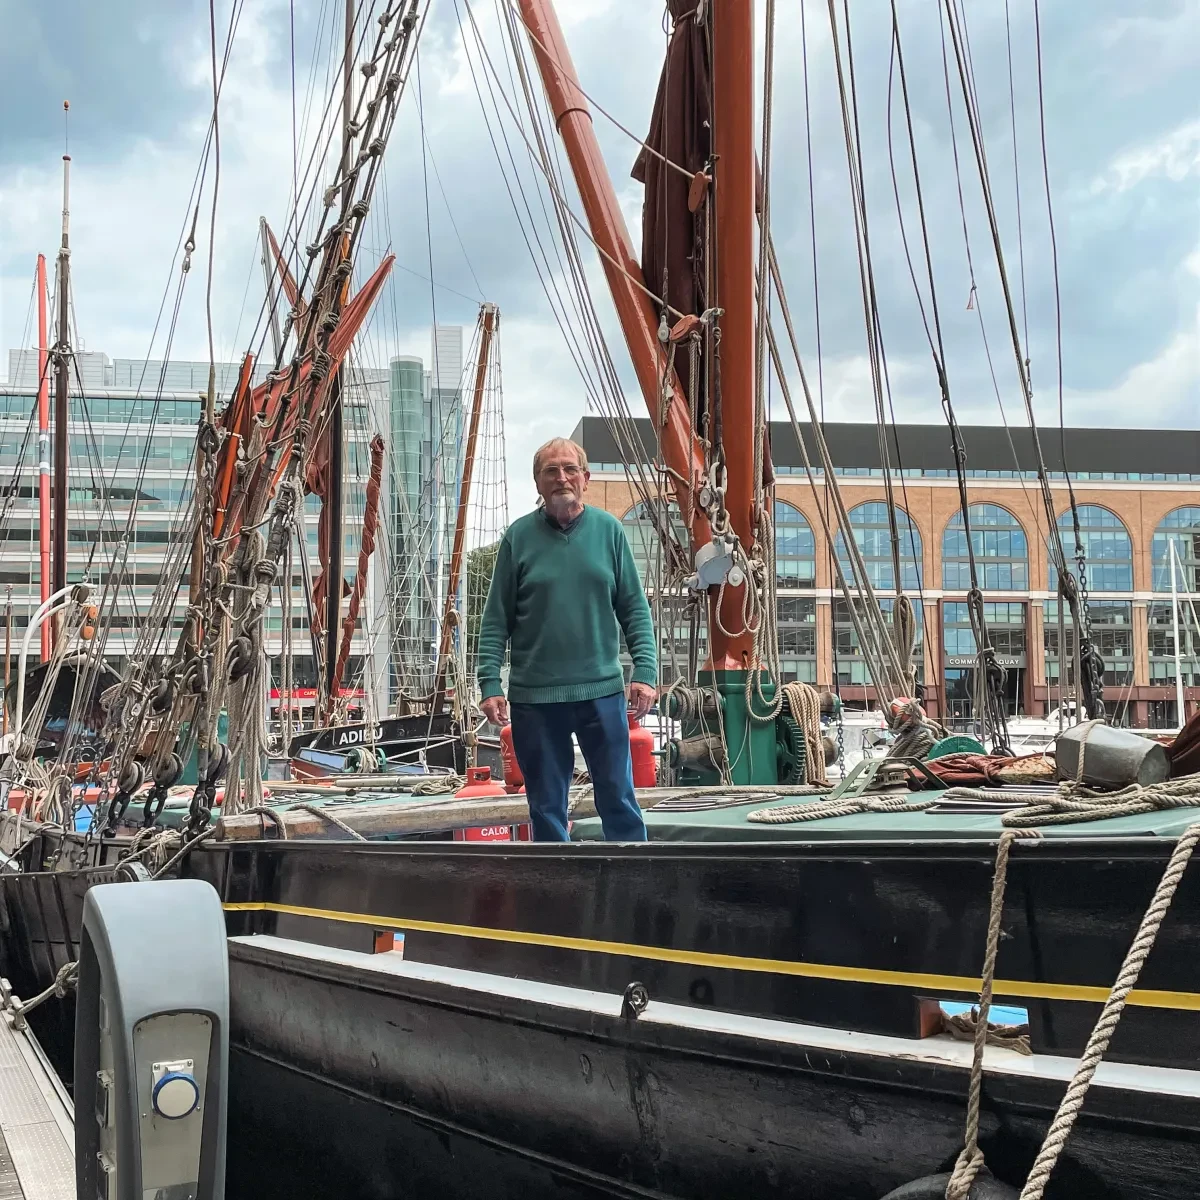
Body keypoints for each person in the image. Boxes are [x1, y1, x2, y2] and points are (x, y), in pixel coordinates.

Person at [476, 437, 656, 842]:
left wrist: (645, 670)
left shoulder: (609, 531)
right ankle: (556, 890)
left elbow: (634, 610)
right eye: (550, 471)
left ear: (586, 478)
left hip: (601, 693)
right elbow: (495, 621)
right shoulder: (518, 538)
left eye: (570, 468)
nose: (561, 478)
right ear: (538, 483)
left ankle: (633, 884)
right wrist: (489, 683)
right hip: (535, 699)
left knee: (619, 800)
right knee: (545, 807)